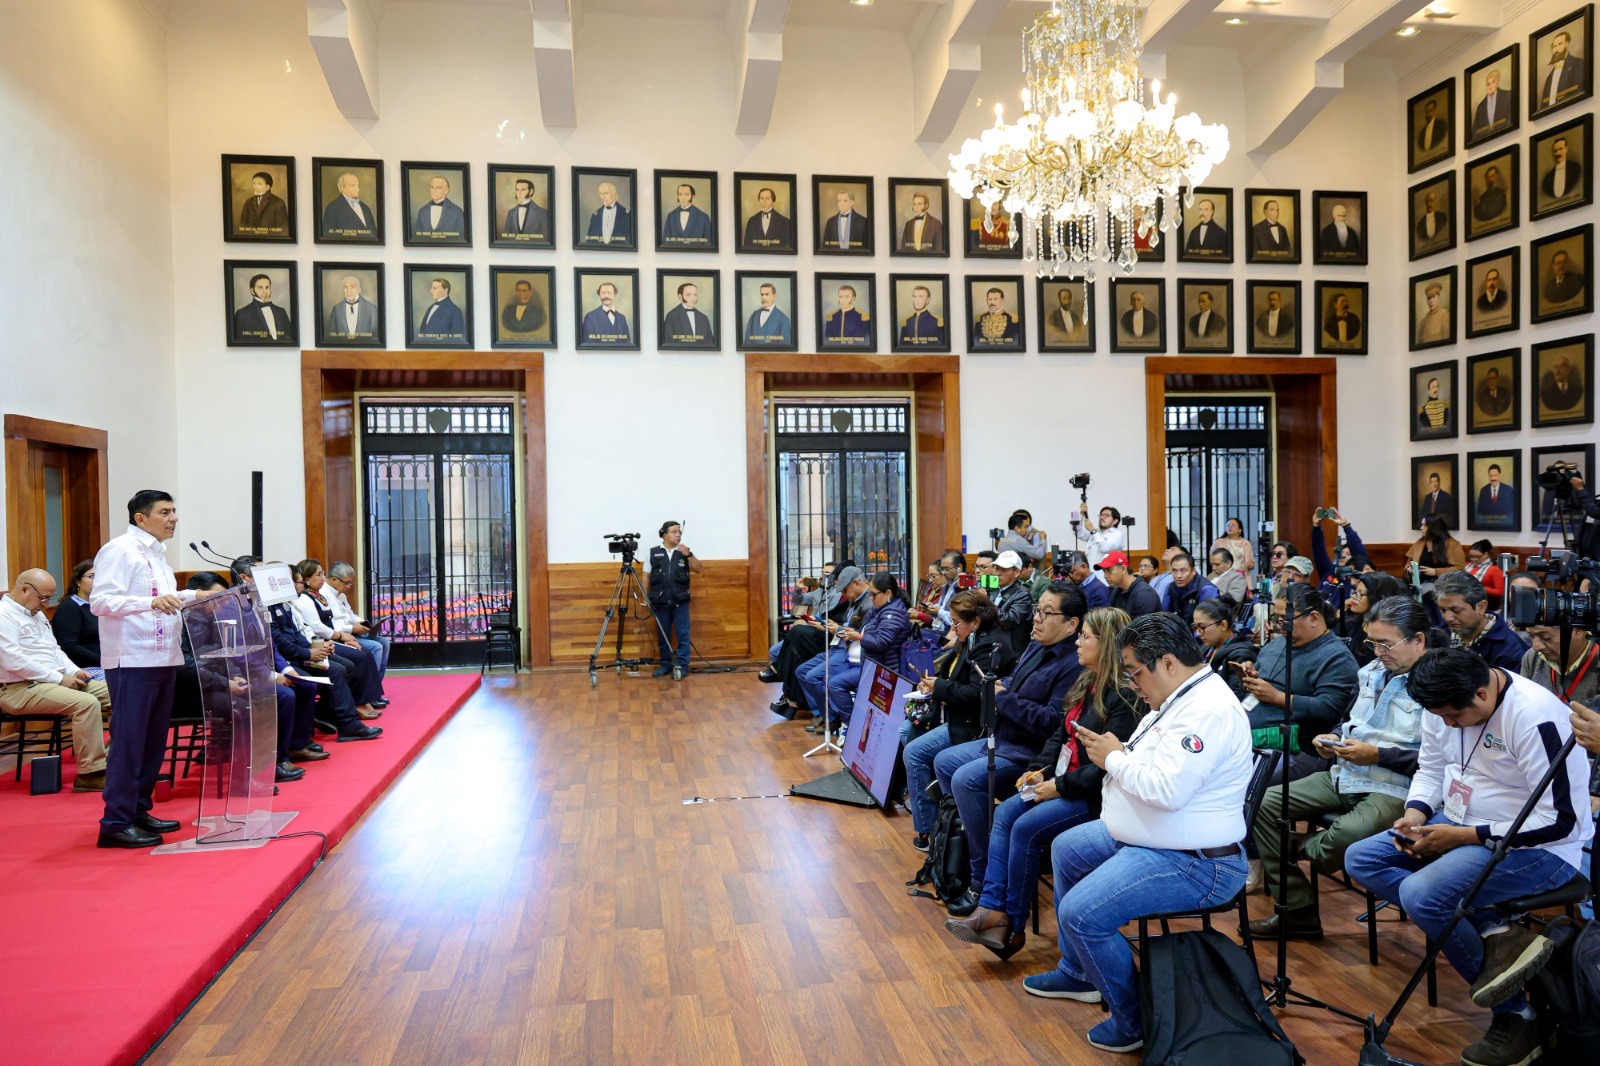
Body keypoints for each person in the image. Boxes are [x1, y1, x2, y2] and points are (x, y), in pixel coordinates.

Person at [1344, 649, 1592, 1066]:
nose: (1447, 725)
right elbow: (1431, 766)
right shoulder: (1444, 703)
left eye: (1454, 717)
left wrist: (1463, 836)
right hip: (1460, 821)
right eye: (1439, 716)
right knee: (1362, 859)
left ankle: (1517, 1015)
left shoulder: (1535, 717)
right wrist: (1415, 813)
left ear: (1482, 694)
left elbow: (1562, 822)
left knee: (1422, 895)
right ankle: (1496, 931)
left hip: (1536, 846)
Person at [1024, 613, 1253, 1056]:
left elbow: (1166, 791)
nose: (1132, 685)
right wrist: (1117, 753)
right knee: (1068, 848)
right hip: (1154, 838)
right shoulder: (1178, 696)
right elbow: (1147, 766)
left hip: (1195, 861)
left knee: (1081, 913)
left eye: (1135, 673)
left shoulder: (1207, 711)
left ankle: (1133, 1020)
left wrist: (1113, 758)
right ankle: (1079, 972)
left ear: (1167, 662)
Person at [945, 604, 1136, 955]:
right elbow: (1060, 736)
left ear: (1106, 643)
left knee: (1025, 827)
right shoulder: (1087, 681)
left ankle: (1011, 926)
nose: (1078, 642)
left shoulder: (1124, 696)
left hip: (1092, 795)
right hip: (1062, 780)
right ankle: (990, 908)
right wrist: (1039, 770)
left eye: (1085, 637)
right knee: (1005, 813)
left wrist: (1057, 787)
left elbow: (1106, 767)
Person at [1251, 597, 1432, 939]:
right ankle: (1297, 911)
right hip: (1347, 772)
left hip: (1396, 785)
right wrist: (1333, 736)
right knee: (1265, 803)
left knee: (1347, 836)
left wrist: (1377, 755)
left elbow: (1438, 761)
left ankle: (1300, 847)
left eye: (1386, 644)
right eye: (1372, 643)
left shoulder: (1435, 684)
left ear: (1418, 640)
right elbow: (1349, 719)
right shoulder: (1371, 672)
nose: (1378, 652)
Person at [936, 583, 1088, 915]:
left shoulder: (1073, 665)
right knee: (944, 762)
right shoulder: (1036, 646)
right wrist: (998, 687)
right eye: (1037, 610)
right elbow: (1011, 684)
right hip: (1004, 738)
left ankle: (981, 876)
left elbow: (1053, 723)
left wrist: (1004, 699)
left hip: (1028, 754)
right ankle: (971, 851)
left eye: (1047, 613)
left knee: (966, 779)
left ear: (1072, 624)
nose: (1037, 618)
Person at [90, 491, 211, 848]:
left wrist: (195, 597)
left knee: (154, 741)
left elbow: (166, 599)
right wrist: (150, 602)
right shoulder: (120, 549)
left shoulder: (158, 553)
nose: (174, 518)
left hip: (164, 657)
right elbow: (100, 602)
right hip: (133, 659)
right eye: (165, 512)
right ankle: (115, 821)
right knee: (129, 741)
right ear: (140, 518)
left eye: (174, 511)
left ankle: (138, 809)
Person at [903, 590, 1019, 848]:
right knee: (907, 734)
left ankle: (934, 831)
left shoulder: (988, 645)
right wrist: (933, 684)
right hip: (959, 717)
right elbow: (954, 678)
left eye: (956, 623)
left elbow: (977, 694)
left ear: (975, 622)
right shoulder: (973, 638)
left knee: (914, 752)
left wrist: (938, 687)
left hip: (973, 725)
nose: (952, 628)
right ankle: (938, 823)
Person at [0, 567, 111, 793]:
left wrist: (73, 670)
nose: (45, 604)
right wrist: (59, 678)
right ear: (24, 589)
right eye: (43, 598)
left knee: (119, 692)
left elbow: (55, 650)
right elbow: (13, 661)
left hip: (51, 681)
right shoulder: (4, 615)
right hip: (19, 688)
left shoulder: (36, 613)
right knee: (86, 703)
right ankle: (90, 774)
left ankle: (113, 759)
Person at [1239, 583, 1360, 760]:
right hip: (1247, 735)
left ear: (1313, 617)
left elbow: (1331, 709)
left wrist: (1277, 697)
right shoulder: (1278, 642)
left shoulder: (1337, 657)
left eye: (1285, 619)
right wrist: (1250, 679)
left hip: (1296, 748)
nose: (1280, 625)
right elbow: (1261, 677)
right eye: (1277, 618)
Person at [796, 572, 909, 729]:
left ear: (888, 593)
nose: (871, 598)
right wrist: (851, 632)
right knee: (823, 678)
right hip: (868, 662)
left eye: (874, 594)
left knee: (835, 684)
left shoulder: (892, 613)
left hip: (882, 668)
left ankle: (852, 726)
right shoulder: (880, 608)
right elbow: (865, 632)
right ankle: (849, 725)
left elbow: (880, 643)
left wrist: (858, 637)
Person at [294, 560, 385, 707]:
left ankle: (367, 697)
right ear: (307, 579)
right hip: (319, 642)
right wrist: (342, 636)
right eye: (319, 574)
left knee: (366, 651)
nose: (323, 578)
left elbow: (337, 619)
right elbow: (317, 627)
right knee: (361, 655)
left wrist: (352, 631)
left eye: (323, 573)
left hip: (331, 638)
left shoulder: (318, 596)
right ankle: (358, 701)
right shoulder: (305, 598)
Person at [1436, 570, 1529, 671]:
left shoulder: (1509, 649)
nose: (1447, 617)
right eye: (1443, 610)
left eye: (1456, 610)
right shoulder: (1438, 635)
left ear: (1481, 607)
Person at [647, 521, 703, 679]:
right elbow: (646, 576)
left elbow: (699, 569)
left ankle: (682, 666)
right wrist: (644, 598)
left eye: (679, 532)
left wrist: (688, 555)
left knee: (683, 634)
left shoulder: (685, 552)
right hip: (660, 602)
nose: (677, 534)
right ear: (664, 535)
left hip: (680, 601)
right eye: (673, 532)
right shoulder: (653, 552)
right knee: (663, 635)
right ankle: (665, 665)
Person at [320, 561, 389, 678]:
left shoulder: (341, 595)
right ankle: (371, 684)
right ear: (334, 579)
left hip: (351, 632)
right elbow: (330, 624)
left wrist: (362, 623)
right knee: (376, 646)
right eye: (346, 583)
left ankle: (377, 681)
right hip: (339, 636)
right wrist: (351, 628)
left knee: (384, 642)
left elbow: (350, 615)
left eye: (351, 582)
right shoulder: (323, 595)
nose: (349, 586)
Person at [1193, 595, 1255, 699]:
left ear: (1223, 625)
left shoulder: (1241, 655)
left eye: (1202, 627)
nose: (1198, 633)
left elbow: (1236, 699)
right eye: (1195, 627)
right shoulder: (1207, 647)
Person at [51, 560, 100, 669]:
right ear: (78, 581)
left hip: (108, 663)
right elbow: (69, 646)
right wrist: (102, 661)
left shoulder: (101, 606)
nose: (97, 581)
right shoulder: (69, 607)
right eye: (91, 576)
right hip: (85, 667)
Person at [1095, 551, 1160, 618]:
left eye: (1109, 570)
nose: (1105, 576)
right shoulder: (1117, 591)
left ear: (1123, 569)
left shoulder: (1144, 594)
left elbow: (1143, 624)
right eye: (1104, 571)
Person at [1538, 29, 1588, 111]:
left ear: (1566, 44)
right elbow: (1544, 106)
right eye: (1554, 46)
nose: (1556, 49)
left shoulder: (1577, 63)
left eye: (1560, 44)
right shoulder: (1549, 78)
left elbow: (1579, 93)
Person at [233, 273, 292, 342]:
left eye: (267, 287)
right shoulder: (242, 314)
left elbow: (289, 337)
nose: (265, 292)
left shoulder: (281, 311)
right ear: (252, 291)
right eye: (260, 288)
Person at [1162, 552, 1216, 625]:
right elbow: (1164, 616)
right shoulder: (1171, 587)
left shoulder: (1207, 590)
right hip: (1179, 629)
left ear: (1193, 571)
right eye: (1175, 571)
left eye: (1183, 571)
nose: (1178, 575)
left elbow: (1206, 623)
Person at [1408, 514, 1466, 578]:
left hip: (1443, 581)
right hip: (1419, 580)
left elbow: (1460, 569)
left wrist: (1436, 572)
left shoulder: (1453, 544)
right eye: (1422, 525)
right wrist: (1410, 569)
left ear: (1434, 528)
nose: (1421, 528)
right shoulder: (1420, 542)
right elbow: (1409, 563)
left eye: (1425, 525)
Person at [322, 170, 376, 238]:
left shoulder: (366, 208)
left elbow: (374, 234)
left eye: (358, 185)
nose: (358, 189)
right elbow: (328, 235)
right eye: (352, 185)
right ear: (342, 187)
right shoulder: (332, 208)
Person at [661, 282, 716, 348]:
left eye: (695, 295)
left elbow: (710, 344)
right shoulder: (671, 316)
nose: (693, 298)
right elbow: (668, 343)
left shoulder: (703, 318)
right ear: (680, 297)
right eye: (688, 295)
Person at [327, 274, 381, 341]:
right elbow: (331, 335)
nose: (348, 291)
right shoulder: (336, 309)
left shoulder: (371, 308)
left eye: (352, 287)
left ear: (359, 289)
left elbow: (375, 335)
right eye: (346, 287)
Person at [581, 282, 632, 346]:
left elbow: (627, 344)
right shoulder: (590, 317)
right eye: (603, 293)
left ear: (615, 295)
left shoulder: (622, 318)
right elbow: (588, 346)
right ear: (599, 295)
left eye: (609, 293)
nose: (606, 296)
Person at [743, 282, 793, 346]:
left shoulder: (784, 320)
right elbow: (747, 342)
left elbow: (785, 347)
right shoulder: (754, 316)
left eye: (767, 294)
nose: (764, 298)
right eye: (762, 294)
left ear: (774, 296)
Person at [415, 277, 464, 341]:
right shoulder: (430, 308)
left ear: (445, 291)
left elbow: (458, 338)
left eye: (434, 288)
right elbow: (422, 332)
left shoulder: (455, 311)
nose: (431, 291)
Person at [1211, 517, 1256, 586]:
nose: (1230, 527)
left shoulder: (1246, 543)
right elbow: (1212, 559)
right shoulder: (1219, 542)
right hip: (1224, 576)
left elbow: (1251, 561)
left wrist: (1251, 564)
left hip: (1242, 577)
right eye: (1228, 525)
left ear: (1240, 529)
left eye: (1233, 525)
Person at [1472, 67, 1514, 138]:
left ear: (1497, 82)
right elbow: (1475, 133)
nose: (1490, 86)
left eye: (1493, 82)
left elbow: (1511, 120)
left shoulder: (1508, 96)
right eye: (1488, 84)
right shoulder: (1481, 106)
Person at [1464, 541, 1506, 611]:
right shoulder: (1467, 566)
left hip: (1485, 602)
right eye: (1471, 557)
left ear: (1485, 554)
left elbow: (1500, 592)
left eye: (1477, 557)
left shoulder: (1495, 569)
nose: (1474, 559)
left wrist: (1479, 587)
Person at [1540, 136, 1583, 204]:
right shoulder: (1547, 179)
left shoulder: (1575, 168)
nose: (1558, 153)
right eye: (1555, 151)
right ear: (1553, 154)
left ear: (1566, 149)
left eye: (1560, 149)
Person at [1079, 504, 1125, 568]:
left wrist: (1093, 530)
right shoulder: (1096, 532)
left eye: (1106, 516)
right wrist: (1081, 515)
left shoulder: (1117, 535)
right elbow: (1078, 533)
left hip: (1105, 573)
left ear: (1115, 521)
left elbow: (1105, 548)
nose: (1102, 517)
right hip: (1090, 571)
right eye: (1101, 515)